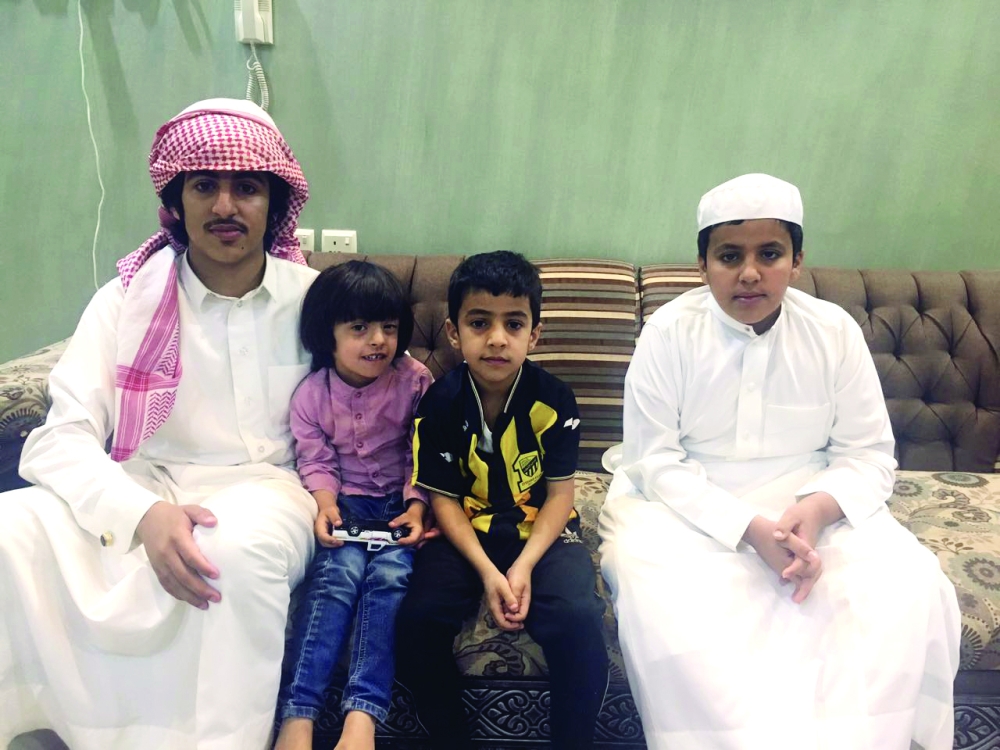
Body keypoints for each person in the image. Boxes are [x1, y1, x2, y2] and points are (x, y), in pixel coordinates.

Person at [598, 173, 962, 750]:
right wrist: (748, 529)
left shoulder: (833, 332)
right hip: (684, 508)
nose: (749, 273)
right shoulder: (667, 333)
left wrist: (815, 511)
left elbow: (868, 454)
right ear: (702, 265)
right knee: (658, 589)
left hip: (812, 501)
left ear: (796, 262)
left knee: (907, 583)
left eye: (769, 254)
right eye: (729, 256)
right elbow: (655, 460)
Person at [0, 98, 320, 750]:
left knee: (231, 552)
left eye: (246, 187)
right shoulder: (127, 299)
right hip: (143, 482)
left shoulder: (315, 300)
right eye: (204, 186)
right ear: (177, 201)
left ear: (274, 203)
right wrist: (140, 513)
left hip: (268, 488)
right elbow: (58, 439)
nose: (225, 205)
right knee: (11, 527)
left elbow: (389, 399)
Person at [394, 251, 609, 750]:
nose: (496, 338)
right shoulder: (439, 403)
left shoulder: (555, 399)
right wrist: (490, 573)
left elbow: (560, 494)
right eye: (479, 323)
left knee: (578, 617)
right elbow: (444, 500)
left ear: (534, 334)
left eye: (513, 324)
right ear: (454, 333)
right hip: (464, 531)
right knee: (418, 620)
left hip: (542, 531)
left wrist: (524, 565)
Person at [274, 260, 433, 750]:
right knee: (335, 580)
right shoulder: (311, 395)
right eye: (360, 328)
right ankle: (298, 715)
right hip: (344, 505)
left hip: (400, 507)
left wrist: (417, 505)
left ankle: (362, 715)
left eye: (389, 327)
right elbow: (315, 458)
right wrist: (324, 504)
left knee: (388, 581)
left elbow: (424, 452)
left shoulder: (415, 380)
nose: (378, 340)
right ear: (329, 332)